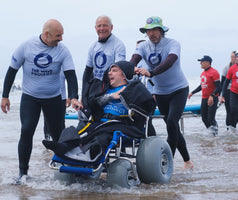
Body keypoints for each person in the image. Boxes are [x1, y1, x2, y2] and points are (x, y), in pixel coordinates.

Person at [0, 19, 82, 183]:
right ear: (46, 35)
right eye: (58, 36)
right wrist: (5, 96)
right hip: (31, 98)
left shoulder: (63, 50)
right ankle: (23, 173)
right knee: (27, 130)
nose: (61, 39)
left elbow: (71, 75)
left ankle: (67, 170)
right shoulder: (26, 47)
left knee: (59, 134)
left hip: (54, 99)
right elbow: (11, 71)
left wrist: (74, 96)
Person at [42, 61, 155, 160]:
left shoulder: (134, 89)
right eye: (110, 71)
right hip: (101, 122)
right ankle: (63, 147)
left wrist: (125, 92)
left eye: (114, 70)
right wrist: (111, 96)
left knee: (102, 135)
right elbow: (96, 102)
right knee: (73, 130)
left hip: (121, 124)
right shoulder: (105, 90)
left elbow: (147, 105)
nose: (109, 73)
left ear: (124, 75)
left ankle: (90, 153)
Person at [130, 16, 193, 170]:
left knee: (172, 122)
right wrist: (129, 68)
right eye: (148, 31)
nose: (151, 33)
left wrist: (151, 72)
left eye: (154, 30)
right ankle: (187, 161)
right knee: (173, 127)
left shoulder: (173, 44)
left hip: (179, 89)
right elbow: (134, 59)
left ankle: (167, 164)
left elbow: (170, 61)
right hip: (161, 92)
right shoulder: (144, 46)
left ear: (161, 30)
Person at [79, 15, 126, 129]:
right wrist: (83, 95)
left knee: (105, 124)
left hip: (109, 89)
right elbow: (87, 72)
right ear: (95, 28)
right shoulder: (93, 47)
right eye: (99, 26)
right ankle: (75, 144)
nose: (102, 28)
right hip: (95, 89)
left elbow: (119, 71)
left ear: (111, 27)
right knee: (84, 121)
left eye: (105, 25)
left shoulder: (118, 45)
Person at [188, 56, 220, 136]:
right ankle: (212, 132)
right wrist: (192, 92)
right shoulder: (203, 73)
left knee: (211, 118)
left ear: (208, 63)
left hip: (212, 98)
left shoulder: (214, 72)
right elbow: (201, 86)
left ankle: (215, 135)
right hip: (204, 98)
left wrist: (212, 96)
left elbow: (219, 87)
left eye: (202, 61)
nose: (200, 63)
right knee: (204, 118)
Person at [43, 70, 70, 141]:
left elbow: (70, 81)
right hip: (48, 97)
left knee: (61, 121)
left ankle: (62, 140)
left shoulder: (64, 67)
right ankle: (47, 139)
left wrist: (70, 97)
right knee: (47, 120)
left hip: (62, 98)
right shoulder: (49, 66)